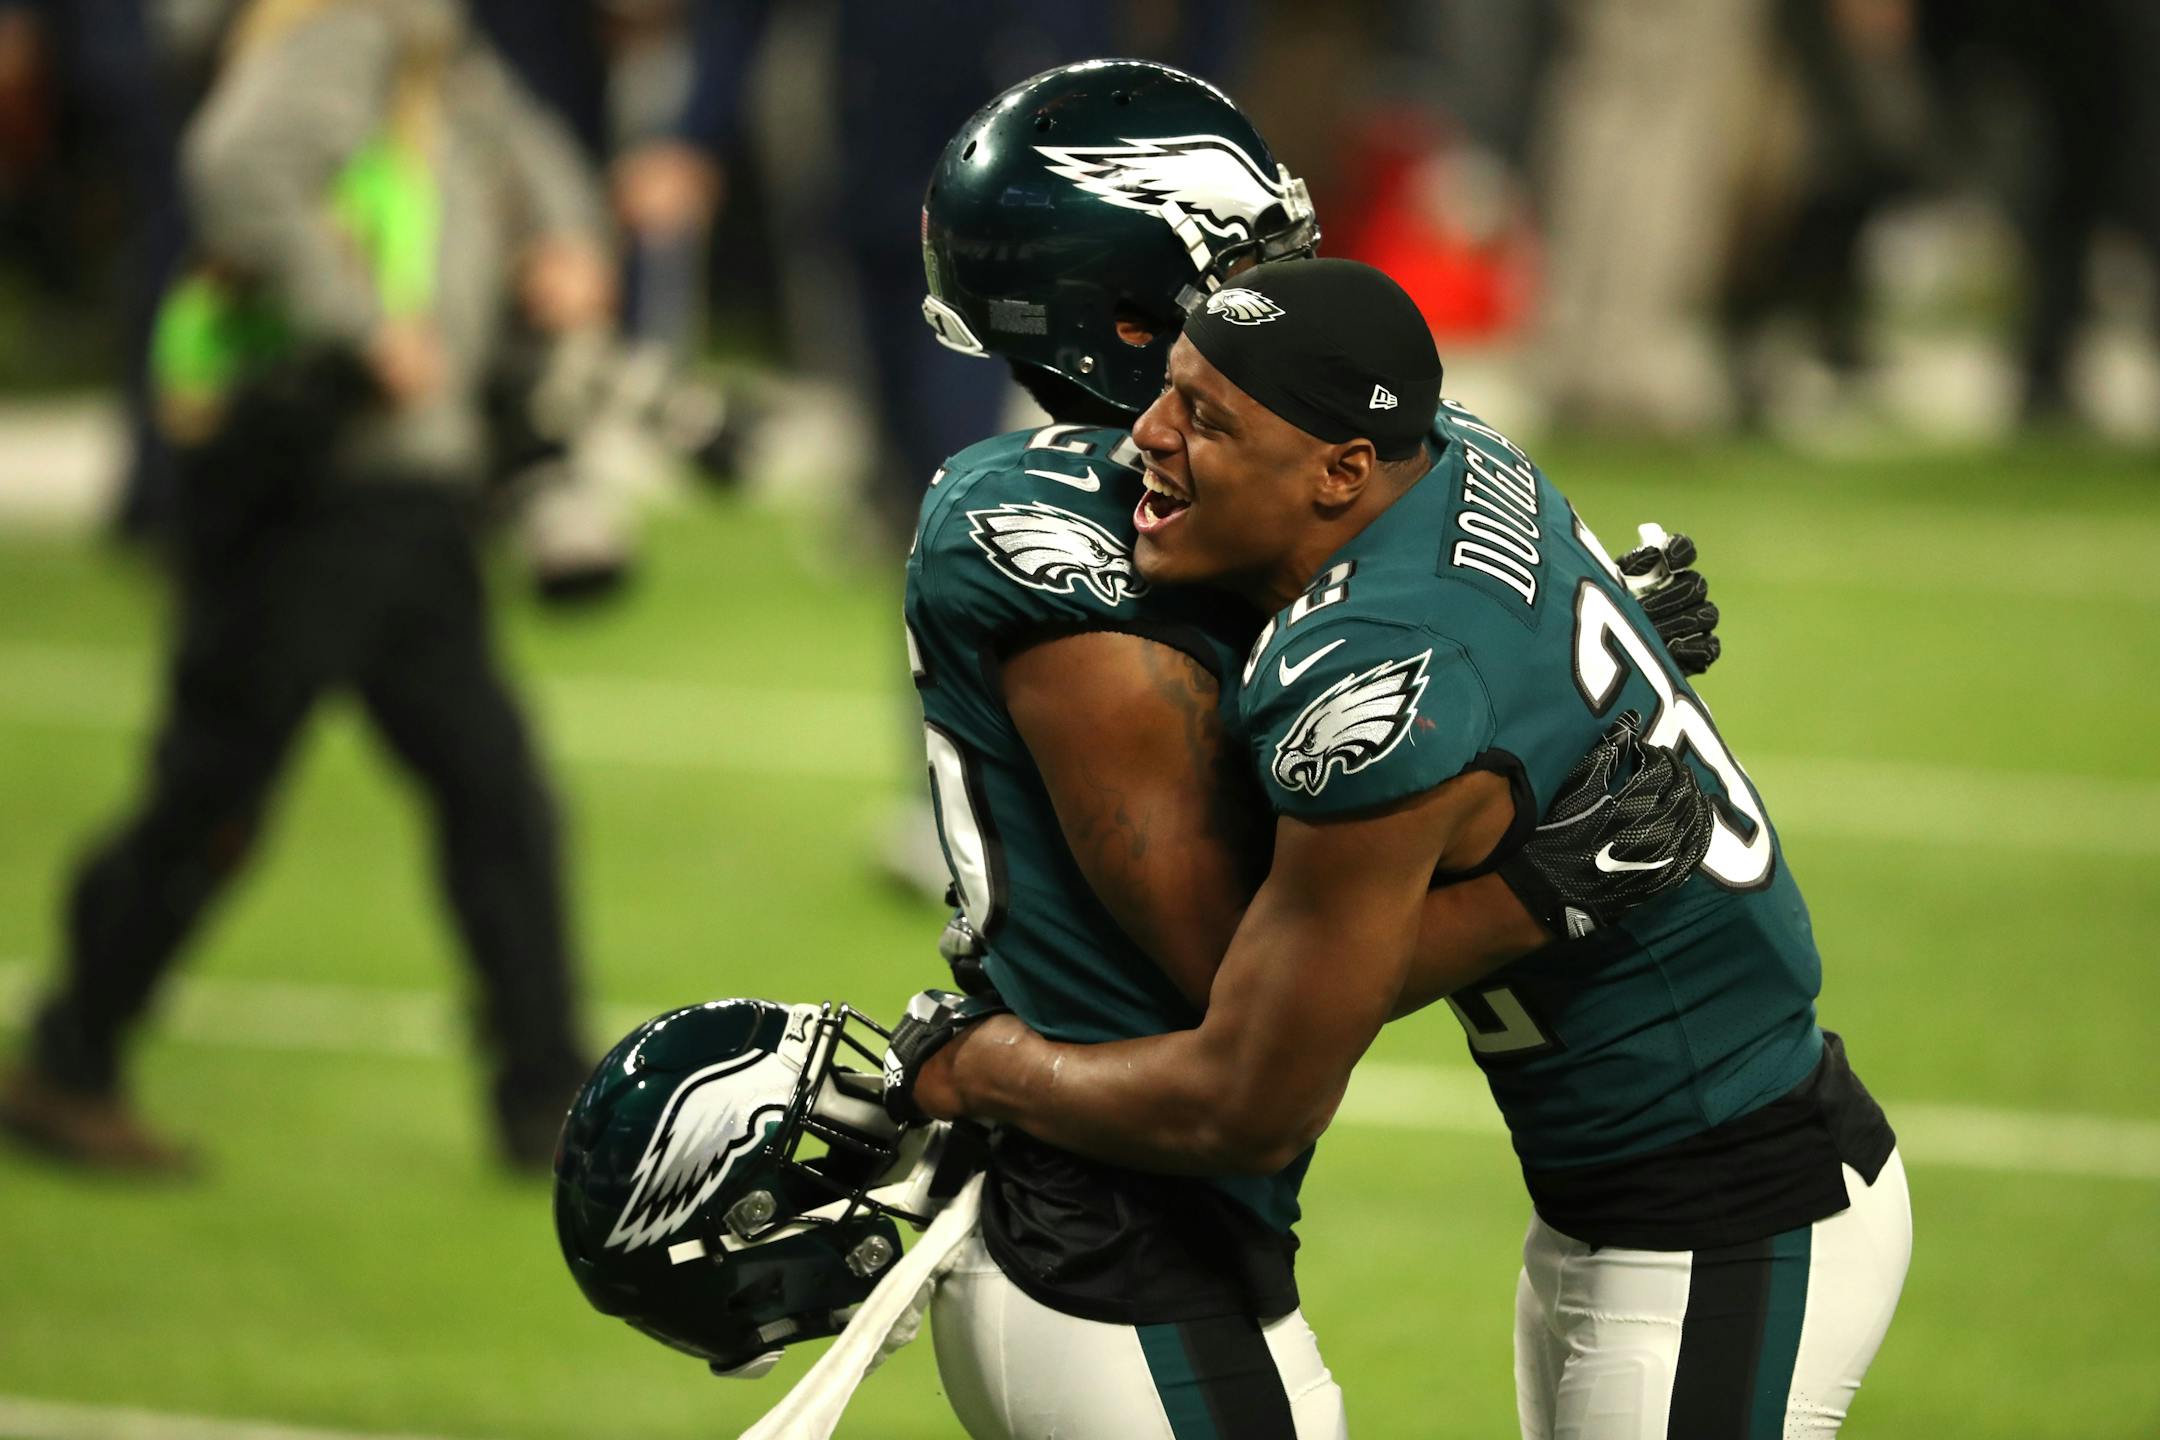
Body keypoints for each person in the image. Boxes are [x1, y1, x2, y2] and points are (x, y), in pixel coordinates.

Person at [893, 256, 1910, 1439]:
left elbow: (1247, 1095)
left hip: (1729, 1221)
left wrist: (973, 1069)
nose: (1143, 441)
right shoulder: (1455, 452)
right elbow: (1507, 634)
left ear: (1340, 470)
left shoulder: (1372, 670)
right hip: (1646, 1196)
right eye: (1167, 390)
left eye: (1206, 419)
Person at [0, 0, 613, 1175]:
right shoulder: (347, 27)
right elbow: (238, 165)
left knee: (489, 789)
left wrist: (566, 237)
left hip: (400, 492)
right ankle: (70, 1057)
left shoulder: (433, 43)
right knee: (221, 788)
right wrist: (365, 326)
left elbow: (528, 159)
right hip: (320, 484)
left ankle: (545, 1093)